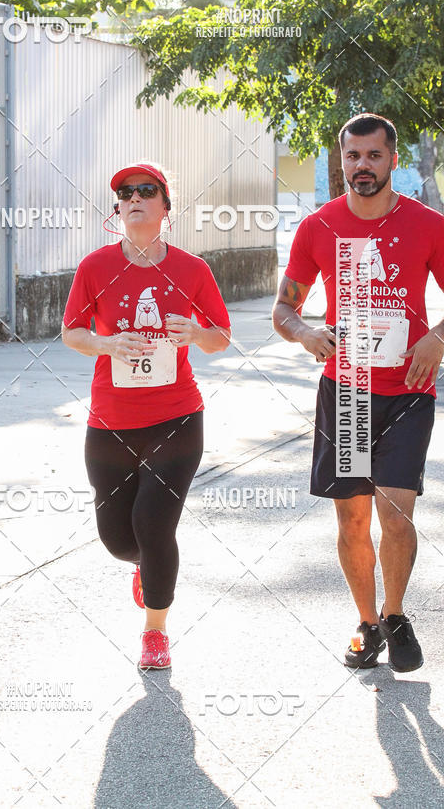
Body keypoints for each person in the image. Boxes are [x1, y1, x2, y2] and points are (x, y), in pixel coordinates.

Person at [273, 113, 444, 672]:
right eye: (353, 156)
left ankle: (396, 615)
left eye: (373, 155)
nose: (362, 166)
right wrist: (305, 333)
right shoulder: (319, 226)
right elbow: (284, 308)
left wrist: (437, 338)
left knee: (395, 513)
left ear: (393, 159)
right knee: (351, 520)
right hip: (346, 395)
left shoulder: (428, 225)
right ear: (341, 160)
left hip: (408, 391)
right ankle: (368, 624)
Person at [62, 163, 231, 669]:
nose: (134, 197)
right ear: (118, 208)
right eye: (125, 192)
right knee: (119, 540)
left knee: (153, 526)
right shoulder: (95, 267)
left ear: (165, 206)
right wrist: (107, 343)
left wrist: (195, 333)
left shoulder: (192, 269)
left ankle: (155, 632)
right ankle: (145, 566)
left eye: (146, 190)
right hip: (111, 421)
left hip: (176, 419)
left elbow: (221, 337)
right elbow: (72, 332)